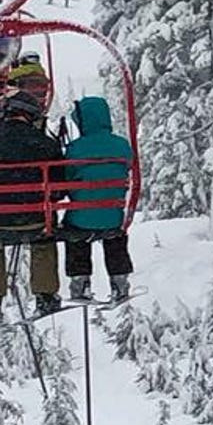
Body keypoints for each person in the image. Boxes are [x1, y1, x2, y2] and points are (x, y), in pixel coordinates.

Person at [0, 91, 65, 314]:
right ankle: (45, 294)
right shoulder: (46, 144)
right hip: (36, 218)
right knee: (44, 236)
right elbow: (59, 188)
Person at [60, 92, 136, 303]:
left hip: (82, 218)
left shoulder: (75, 149)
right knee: (115, 234)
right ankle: (119, 282)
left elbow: (67, 181)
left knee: (74, 232)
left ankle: (80, 282)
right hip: (113, 215)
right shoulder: (121, 145)